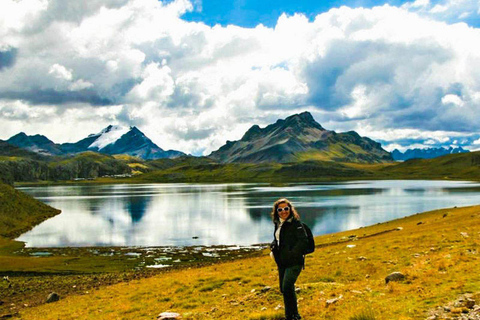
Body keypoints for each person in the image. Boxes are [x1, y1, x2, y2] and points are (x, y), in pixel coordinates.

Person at [269, 198, 308, 320]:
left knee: (287, 286)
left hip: (294, 262)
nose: (283, 211)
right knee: (285, 289)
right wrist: (273, 245)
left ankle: (294, 315)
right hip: (282, 262)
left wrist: (292, 254)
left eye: (286, 208)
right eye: (280, 209)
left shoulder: (296, 224)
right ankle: (290, 315)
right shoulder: (278, 224)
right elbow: (279, 240)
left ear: (290, 209)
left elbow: (303, 242)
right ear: (276, 211)